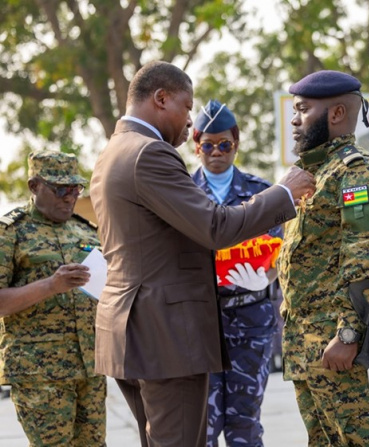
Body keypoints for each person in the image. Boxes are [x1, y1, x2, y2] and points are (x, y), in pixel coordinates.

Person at [89, 61, 316, 447]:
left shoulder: (114, 151)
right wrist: (283, 193)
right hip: (166, 336)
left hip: (135, 330)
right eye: (186, 106)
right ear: (161, 98)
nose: (189, 118)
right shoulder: (150, 154)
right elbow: (215, 227)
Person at [278, 69, 369, 446]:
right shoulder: (313, 174)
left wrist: (349, 333)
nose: (294, 119)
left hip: (344, 351)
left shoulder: (358, 175)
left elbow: (365, 256)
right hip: (311, 350)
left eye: (303, 109)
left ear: (336, 114)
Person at [190, 99, 282, 446]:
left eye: (224, 144)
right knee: (205, 426)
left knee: (245, 424)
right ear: (196, 146)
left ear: (236, 145)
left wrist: (267, 277)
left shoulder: (261, 192)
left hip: (251, 316)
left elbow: (279, 253)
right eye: (208, 145)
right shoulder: (181, 192)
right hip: (200, 320)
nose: (216, 152)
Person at [0, 150, 106, 446]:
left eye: (75, 189)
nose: (69, 197)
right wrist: (50, 285)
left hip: (91, 365)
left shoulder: (86, 231)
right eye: (61, 189)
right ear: (34, 186)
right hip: (39, 371)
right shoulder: (10, 232)